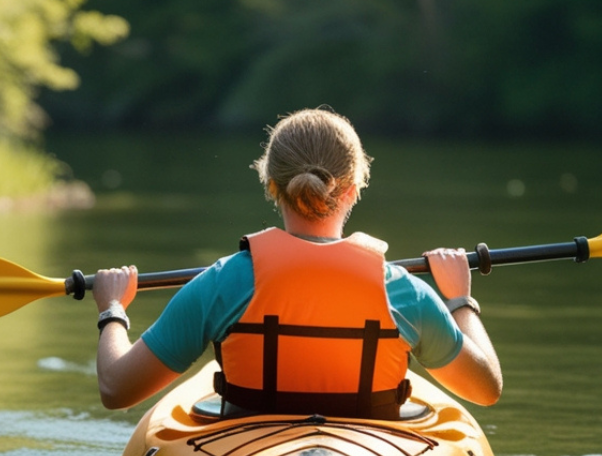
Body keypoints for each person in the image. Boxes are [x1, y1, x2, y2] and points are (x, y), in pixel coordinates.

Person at [92, 108, 501, 418]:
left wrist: (113, 310)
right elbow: (486, 388)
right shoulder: (404, 292)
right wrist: (460, 300)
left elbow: (115, 388)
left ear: (270, 184)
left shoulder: (223, 282)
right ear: (354, 187)